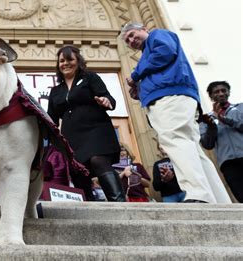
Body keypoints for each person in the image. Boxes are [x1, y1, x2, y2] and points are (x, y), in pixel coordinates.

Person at [120, 22, 231, 203]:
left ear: (144, 30)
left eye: (132, 34)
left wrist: (135, 75)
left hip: (170, 98)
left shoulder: (157, 36)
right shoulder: (147, 56)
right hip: (174, 98)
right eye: (128, 40)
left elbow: (164, 52)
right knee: (193, 149)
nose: (131, 40)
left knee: (176, 141)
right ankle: (218, 200)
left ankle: (198, 195)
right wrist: (141, 91)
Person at [47, 45, 125, 201]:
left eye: (70, 59)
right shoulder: (56, 91)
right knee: (78, 171)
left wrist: (105, 101)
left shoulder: (90, 77)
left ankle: (119, 203)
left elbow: (108, 98)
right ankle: (88, 207)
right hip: (72, 136)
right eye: (61, 61)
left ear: (78, 61)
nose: (65, 63)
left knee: (98, 160)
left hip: (96, 130)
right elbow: (51, 119)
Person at [200, 81, 243, 202]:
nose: (221, 93)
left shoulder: (240, 108)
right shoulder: (206, 118)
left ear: (228, 92)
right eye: (216, 92)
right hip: (228, 163)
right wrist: (211, 126)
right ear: (211, 96)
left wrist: (224, 119)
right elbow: (207, 144)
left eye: (224, 90)